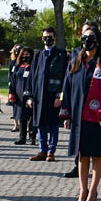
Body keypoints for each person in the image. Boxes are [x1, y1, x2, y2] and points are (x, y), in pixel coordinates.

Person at [59, 23, 101, 201]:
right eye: (84, 38)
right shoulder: (75, 61)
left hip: (99, 118)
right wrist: (66, 114)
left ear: (97, 42)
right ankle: (82, 190)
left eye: (91, 39)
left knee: (97, 156)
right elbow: (67, 88)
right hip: (79, 118)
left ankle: (93, 191)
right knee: (82, 156)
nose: (87, 42)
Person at [27, 27, 67, 162]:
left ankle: (51, 151)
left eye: (50, 36)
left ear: (55, 37)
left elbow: (65, 78)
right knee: (40, 124)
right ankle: (42, 151)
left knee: (53, 124)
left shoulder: (61, 55)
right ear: (42, 38)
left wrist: (59, 96)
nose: (47, 38)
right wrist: (30, 96)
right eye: (45, 36)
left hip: (53, 96)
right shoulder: (38, 55)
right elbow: (32, 75)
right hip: (39, 96)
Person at [9, 47, 34, 145]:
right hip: (19, 96)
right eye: (23, 55)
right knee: (22, 117)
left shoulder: (34, 67)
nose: (25, 57)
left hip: (31, 95)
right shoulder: (18, 67)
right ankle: (22, 138)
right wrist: (11, 93)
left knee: (32, 117)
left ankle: (32, 137)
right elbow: (12, 81)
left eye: (27, 55)